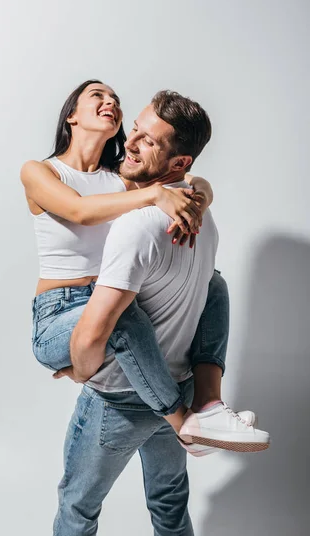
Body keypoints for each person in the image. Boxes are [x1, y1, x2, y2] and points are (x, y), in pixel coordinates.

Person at [50, 90, 270, 535]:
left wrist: (80, 370)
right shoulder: (202, 221)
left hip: (119, 400)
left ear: (180, 162)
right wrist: (197, 192)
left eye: (149, 141)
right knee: (170, 509)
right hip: (178, 389)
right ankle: (207, 408)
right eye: (136, 130)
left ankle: (200, 414)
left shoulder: (134, 227)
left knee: (77, 509)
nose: (131, 143)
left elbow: (97, 333)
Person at [21, 79, 240, 438]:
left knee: (212, 282)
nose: (110, 101)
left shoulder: (121, 178)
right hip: (58, 315)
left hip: (108, 301)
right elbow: (80, 210)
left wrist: (199, 197)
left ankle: (209, 402)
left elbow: (189, 178)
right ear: (72, 116)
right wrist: (154, 195)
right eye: (97, 95)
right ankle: (182, 423)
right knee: (123, 318)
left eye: (115, 99)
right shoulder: (40, 171)